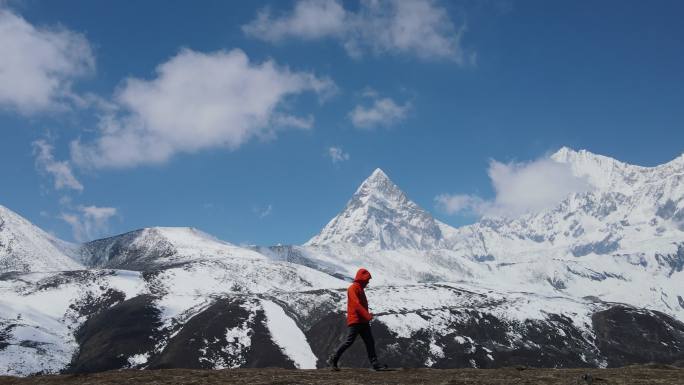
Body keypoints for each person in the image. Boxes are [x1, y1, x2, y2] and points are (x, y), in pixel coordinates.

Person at [327, 268, 385, 371]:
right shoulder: (352, 288)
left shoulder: (360, 289)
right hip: (356, 321)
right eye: (367, 280)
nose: (368, 282)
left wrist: (367, 316)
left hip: (363, 321)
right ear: (362, 279)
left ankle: (375, 363)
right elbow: (356, 305)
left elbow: (359, 305)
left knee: (369, 342)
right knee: (349, 341)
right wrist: (367, 315)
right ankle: (333, 359)